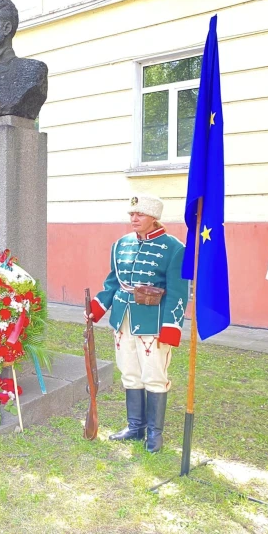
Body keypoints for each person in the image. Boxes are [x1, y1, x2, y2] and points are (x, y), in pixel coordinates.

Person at [86, 194, 188, 453]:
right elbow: (113, 282)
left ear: (154, 218)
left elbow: (177, 292)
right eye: (131, 214)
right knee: (129, 373)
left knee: (154, 375)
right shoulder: (121, 244)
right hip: (123, 318)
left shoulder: (174, 249)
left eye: (140, 214)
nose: (134, 218)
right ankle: (135, 426)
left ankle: (154, 434)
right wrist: (98, 307)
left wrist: (170, 327)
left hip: (153, 321)